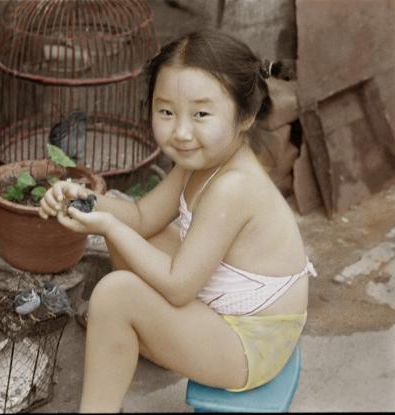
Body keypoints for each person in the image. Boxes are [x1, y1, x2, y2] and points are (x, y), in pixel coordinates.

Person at [38, 29, 316, 413]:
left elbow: (178, 287)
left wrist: (109, 227)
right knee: (141, 237)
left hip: (251, 346)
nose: (181, 132)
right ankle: (143, 333)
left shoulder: (233, 187)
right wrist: (85, 199)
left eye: (201, 114)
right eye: (166, 111)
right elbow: (140, 217)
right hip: (227, 310)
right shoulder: (201, 161)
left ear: (246, 117)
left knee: (116, 292)